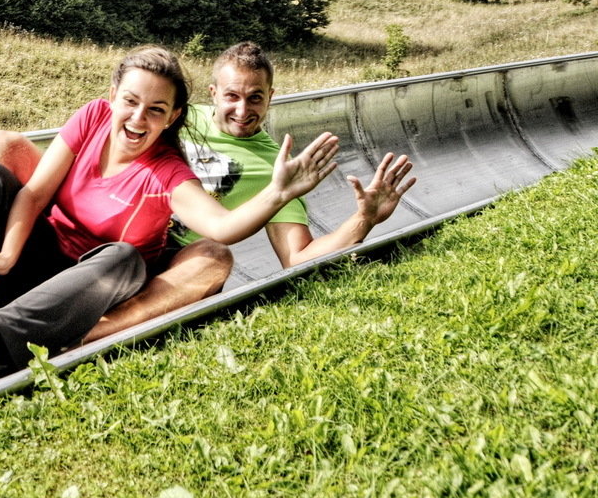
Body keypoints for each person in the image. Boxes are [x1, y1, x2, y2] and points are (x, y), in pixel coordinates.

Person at [0, 45, 341, 378]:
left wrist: (276, 193)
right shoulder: (92, 118)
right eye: (130, 102)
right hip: (35, 257)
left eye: (155, 111)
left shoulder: (167, 172)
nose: (137, 119)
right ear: (112, 98)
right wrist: (8, 255)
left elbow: (221, 227)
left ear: (173, 118)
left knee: (126, 258)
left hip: (81, 290)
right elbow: (34, 194)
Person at [80, 41, 417, 342]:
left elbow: (296, 258)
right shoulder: (172, 117)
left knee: (213, 257)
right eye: (232, 96)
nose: (243, 111)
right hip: (117, 234)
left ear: (270, 97)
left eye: (255, 98)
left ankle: (90, 337)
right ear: (213, 93)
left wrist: (363, 220)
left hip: (172, 266)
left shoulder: (278, 168)